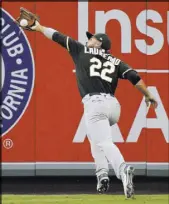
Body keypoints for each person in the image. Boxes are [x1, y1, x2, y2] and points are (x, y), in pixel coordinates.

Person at [30, 21, 158, 198]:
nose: (89, 40)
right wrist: (148, 94)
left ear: (99, 44)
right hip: (113, 107)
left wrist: (39, 27)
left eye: (93, 39)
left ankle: (123, 170)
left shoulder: (81, 50)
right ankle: (102, 175)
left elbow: (57, 36)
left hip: (95, 103)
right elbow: (134, 76)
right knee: (94, 137)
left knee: (104, 142)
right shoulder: (116, 61)